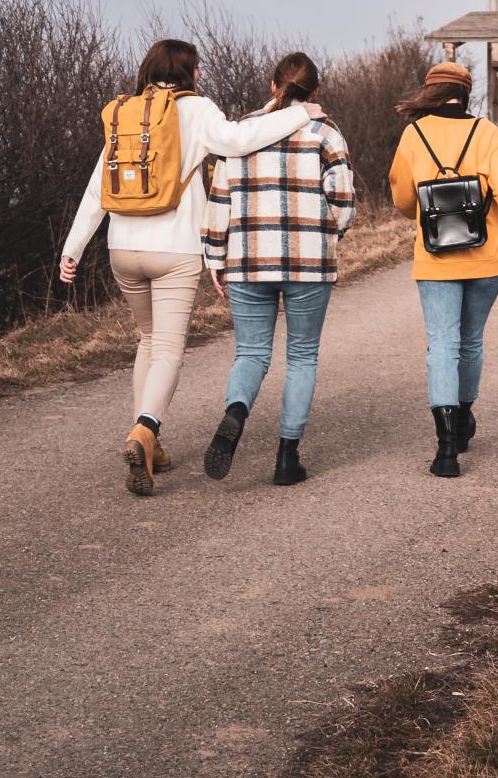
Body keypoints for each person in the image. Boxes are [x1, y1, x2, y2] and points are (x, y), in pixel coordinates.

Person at [59, 37, 315, 495]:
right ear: (187, 72)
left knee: (147, 340)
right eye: (197, 68)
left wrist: (73, 248)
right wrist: (299, 114)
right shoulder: (195, 109)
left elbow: (98, 186)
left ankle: (150, 445)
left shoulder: (126, 113)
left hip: (122, 248)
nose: (200, 75)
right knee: (168, 350)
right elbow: (237, 141)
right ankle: (144, 430)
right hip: (173, 250)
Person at [200, 51, 355, 488]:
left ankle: (236, 410)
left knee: (251, 353)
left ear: (273, 85)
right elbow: (342, 200)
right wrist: (329, 235)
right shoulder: (326, 131)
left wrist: (215, 257)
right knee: (302, 355)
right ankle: (287, 457)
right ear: (315, 90)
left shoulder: (242, 131)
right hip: (309, 263)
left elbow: (220, 199)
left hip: (248, 260)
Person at [388, 57, 498, 478]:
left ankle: (446, 450)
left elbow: (402, 197)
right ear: (466, 93)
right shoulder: (485, 132)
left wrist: (423, 207)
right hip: (484, 257)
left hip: (434, 258)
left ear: (431, 91)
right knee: (471, 342)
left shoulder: (414, 134)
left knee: (442, 344)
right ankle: (462, 420)